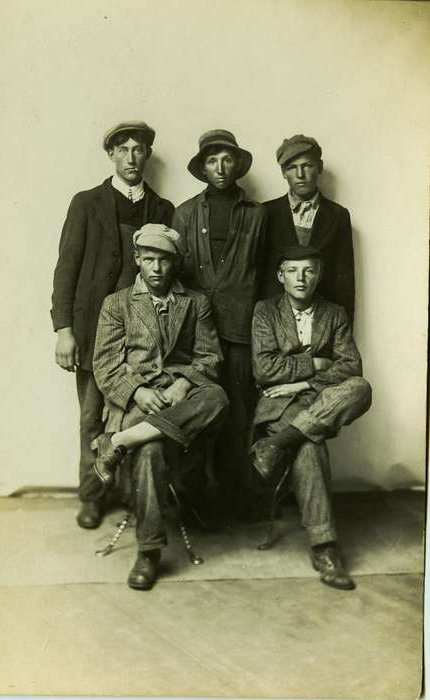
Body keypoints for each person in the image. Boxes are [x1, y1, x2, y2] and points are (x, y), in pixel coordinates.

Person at [51, 121, 174, 530]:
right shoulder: (86, 203)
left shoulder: (162, 209)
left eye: (138, 149)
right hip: (90, 332)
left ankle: (134, 496)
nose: (131, 157)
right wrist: (64, 328)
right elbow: (66, 268)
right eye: (122, 149)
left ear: (147, 155)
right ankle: (92, 495)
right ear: (111, 155)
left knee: (134, 414)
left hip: (141, 334)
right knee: (91, 417)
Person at [92, 223, 229, 590]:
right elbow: (105, 365)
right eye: (148, 259)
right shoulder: (116, 303)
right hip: (138, 403)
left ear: (175, 263)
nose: (155, 268)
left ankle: (118, 443)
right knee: (151, 450)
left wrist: (185, 382)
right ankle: (148, 552)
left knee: (217, 396)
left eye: (163, 261)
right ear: (137, 260)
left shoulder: (195, 302)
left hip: (177, 397)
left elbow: (210, 357)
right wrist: (137, 392)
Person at [251, 247, 371, 589]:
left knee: (361, 387)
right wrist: (317, 363)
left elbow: (351, 367)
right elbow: (264, 369)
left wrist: (302, 383)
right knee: (309, 447)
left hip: (321, 400)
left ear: (318, 275)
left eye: (308, 271)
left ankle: (273, 446)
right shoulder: (265, 311)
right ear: (280, 276)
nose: (301, 279)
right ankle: (325, 548)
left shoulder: (334, 313)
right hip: (277, 406)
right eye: (293, 271)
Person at [172, 129, 267, 510]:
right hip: (195, 333)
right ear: (203, 167)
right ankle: (193, 497)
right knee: (197, 409)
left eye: (227, 159)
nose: (220, 167)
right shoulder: (184, 213)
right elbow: (174, 275)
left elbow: (262, 273)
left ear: (237, 164)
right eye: (212, 160)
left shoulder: (258, 215)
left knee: (238, 413)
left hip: (242, 329)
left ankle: (231, 497)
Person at [262, 135, 355, 322]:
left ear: (319, 167)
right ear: (283, 173)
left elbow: (344, 280)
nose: (300, 174)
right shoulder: (265, 212)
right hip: (277, 321)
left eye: (307, 165)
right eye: (292, 168)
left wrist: (342, 330)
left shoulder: (338, 215)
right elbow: (258, 274)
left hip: (323, 321)